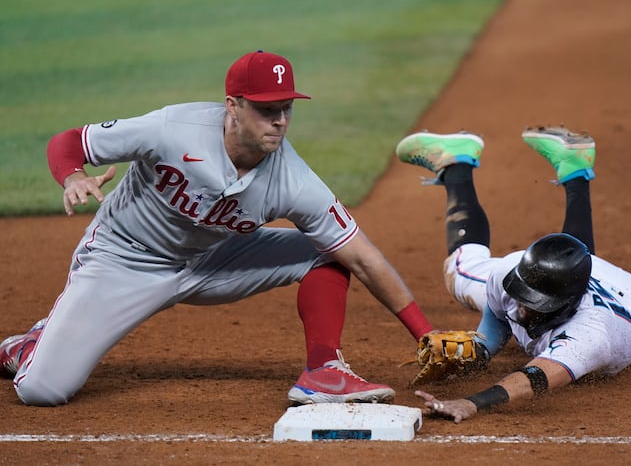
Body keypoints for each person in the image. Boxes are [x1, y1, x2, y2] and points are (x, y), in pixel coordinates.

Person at [0, 49, 437, 406]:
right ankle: (28, 344)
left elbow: (361, 255)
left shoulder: (294, 179)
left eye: (285, 108)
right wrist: (73, 175)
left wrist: (426, 334)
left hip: (211, 262)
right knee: (42, 390)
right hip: (123, 260)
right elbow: (70, 143)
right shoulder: (172, 130)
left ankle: (323, 370)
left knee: (330, 252)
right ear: (233, 106)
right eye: (267, 110)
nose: (280, 121)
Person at [394, 127, 631, 423]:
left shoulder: (590, 336)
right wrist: (481, 349)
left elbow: (534, 378)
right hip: (616, 288)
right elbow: (500, 312)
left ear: (564, 308)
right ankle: (572, 169)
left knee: (461, 272)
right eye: (521, 295)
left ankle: (455, 162)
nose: (521, 306)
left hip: (630, 298)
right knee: (572, 259)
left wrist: (470, 404)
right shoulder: (510, 275)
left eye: (534, 302)